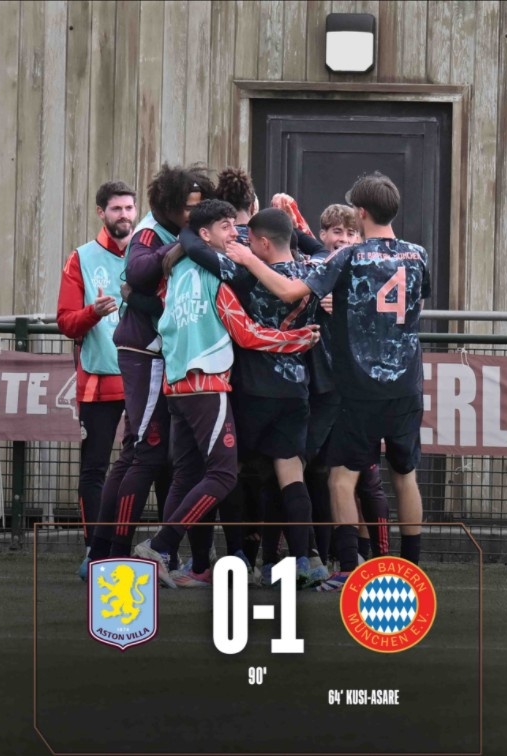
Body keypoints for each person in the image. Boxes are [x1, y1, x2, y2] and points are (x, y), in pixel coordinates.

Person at [226, 172, 431, 590]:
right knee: (405, 474)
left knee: (342, 476)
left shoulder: (349, 257)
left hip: (359, 386)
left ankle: (349, 569)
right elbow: (416, 304)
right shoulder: (419, 254)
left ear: (361, 212)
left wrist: (248, 259)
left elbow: (289, 291)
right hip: (407, 382)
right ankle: (412, 566)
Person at [134, 200, 320, 588]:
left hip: (181, 385)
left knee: (189, 476)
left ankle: (185, 560)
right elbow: (245, 333)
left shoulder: (178, 270)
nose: (235, 234)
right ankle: (163, 547)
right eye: (226, 227)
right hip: (212, 383)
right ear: (205, 234)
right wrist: (297, 339)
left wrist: (130, 295)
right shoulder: (220, 275)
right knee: (227, 474)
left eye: (237, 227)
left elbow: (158, 306)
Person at [86, 164, 217, 568]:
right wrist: (179, 247)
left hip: (165, 353)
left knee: (149, 453)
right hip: (146, 352)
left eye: (200, 206)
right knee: (144, 451)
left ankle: (107, 551)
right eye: (189, 207)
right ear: (170, 204)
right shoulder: (151, 232)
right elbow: (138, 271)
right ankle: (111, 553)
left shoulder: (184, 231)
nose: (194, 214)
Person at [276, 199, 391, 565]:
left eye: (351, 232)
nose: (343, 239)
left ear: (361, 236)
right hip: (322, 389)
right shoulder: (318, 269)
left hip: (358, 391)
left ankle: (376, 559)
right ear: (324, 235)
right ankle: (326, 557)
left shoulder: (370, 269)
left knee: (366, 479)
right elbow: (305, 256)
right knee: (319, 471)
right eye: (336, 232)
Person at [56, 180, 137, 578]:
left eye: (129, 208)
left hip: (145, 378)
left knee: (154, 466)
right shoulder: (81, 258)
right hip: (99, 381)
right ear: (101, 213)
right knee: (94, 469)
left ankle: (150, 550)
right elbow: (66, 323)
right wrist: (93, 312)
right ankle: (95, 551)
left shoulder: (149, 253)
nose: (124, 215)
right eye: (117, 209)